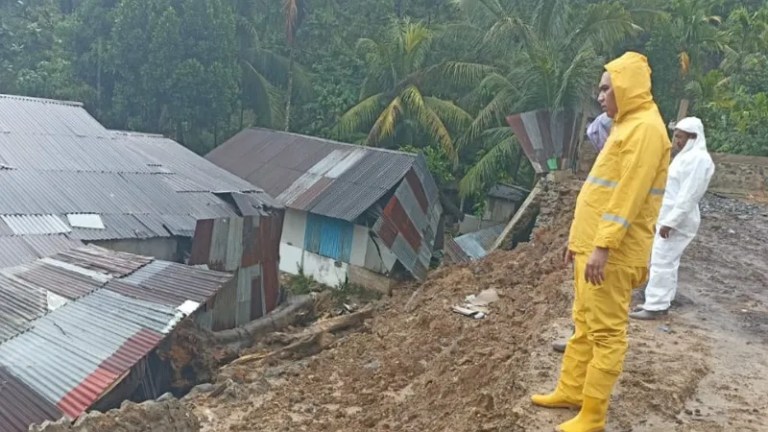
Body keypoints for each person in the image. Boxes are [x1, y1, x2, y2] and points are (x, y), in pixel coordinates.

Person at [531, 52, 670, 432]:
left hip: (614, 254)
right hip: (593, 246)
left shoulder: (645, 131)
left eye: (607, 88)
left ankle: (593, 414)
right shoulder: (627, 125)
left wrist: (603, 246)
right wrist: (579, 241)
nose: (600, 96)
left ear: (627, 87)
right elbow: (602, 190)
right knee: (583, 324)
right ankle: (571, 391)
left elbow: (628, 197)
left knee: (606, 333)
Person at [629, 117, 715, 320]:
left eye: (679, 137)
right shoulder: (686, 157)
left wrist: (670, 222)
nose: (676, 141)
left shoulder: (699, 160)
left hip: (678, 221)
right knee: (665, 260)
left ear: (693, 137)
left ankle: (656, 306)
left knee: (662, 261)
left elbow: (688, 196)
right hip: (670, 217)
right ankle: (659, 301)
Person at [551, 113, 614, 354]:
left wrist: (602, 247)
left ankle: (591, 348)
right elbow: (589, 205)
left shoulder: (623, 163)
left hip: (601, 247)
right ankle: (579, 339)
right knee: (583, 301)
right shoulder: (605, 162)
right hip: (588, 241)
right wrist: (575, 243)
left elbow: (618, 212)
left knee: (596, 304)